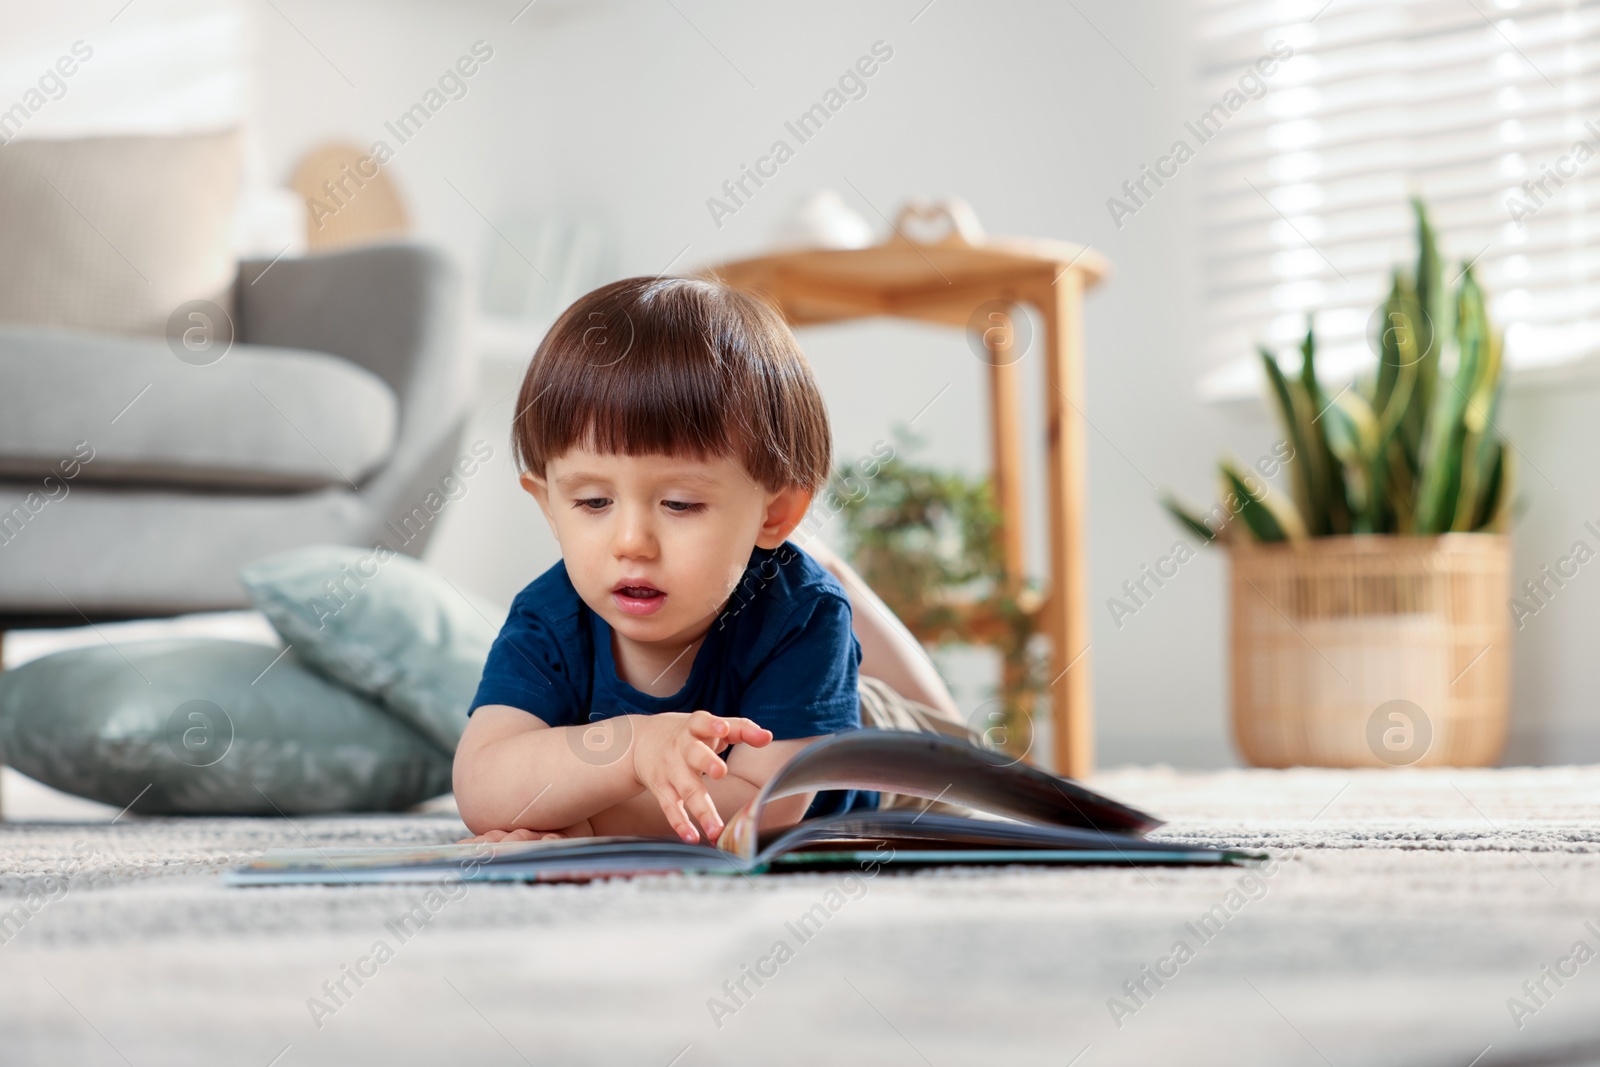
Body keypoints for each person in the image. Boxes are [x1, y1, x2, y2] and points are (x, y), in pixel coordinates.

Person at [453, 276, 960, 845]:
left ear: (775, 511)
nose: (631, 542)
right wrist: (630, 750)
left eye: (679, 504)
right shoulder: (548, 618)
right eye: (593, 501)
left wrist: (587, 822)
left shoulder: (801, 615)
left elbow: (767, 807)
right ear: (547, 504)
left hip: (876, 735)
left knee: (970, 762)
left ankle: (824, 569)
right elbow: (481, 780)